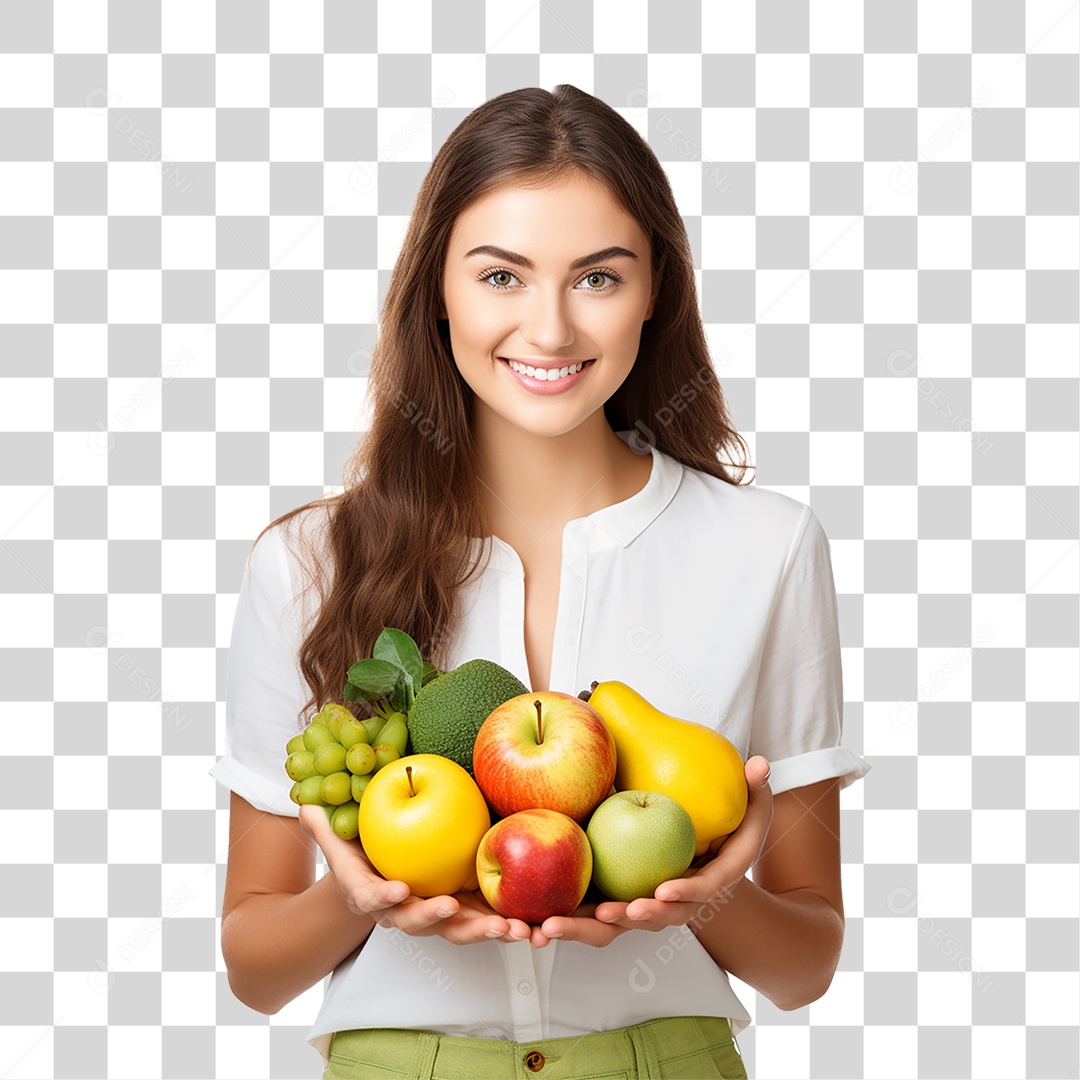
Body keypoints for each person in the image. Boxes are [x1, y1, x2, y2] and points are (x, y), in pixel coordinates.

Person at [210, 83, 871, 1079]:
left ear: (658, 290)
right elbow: (254, 970)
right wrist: (356, 895)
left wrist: (716, 895)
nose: (551, 330)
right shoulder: (309, 562)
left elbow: (807, 964)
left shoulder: (767, 549)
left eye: (599, 278)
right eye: (502, 277)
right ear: (438, 287)